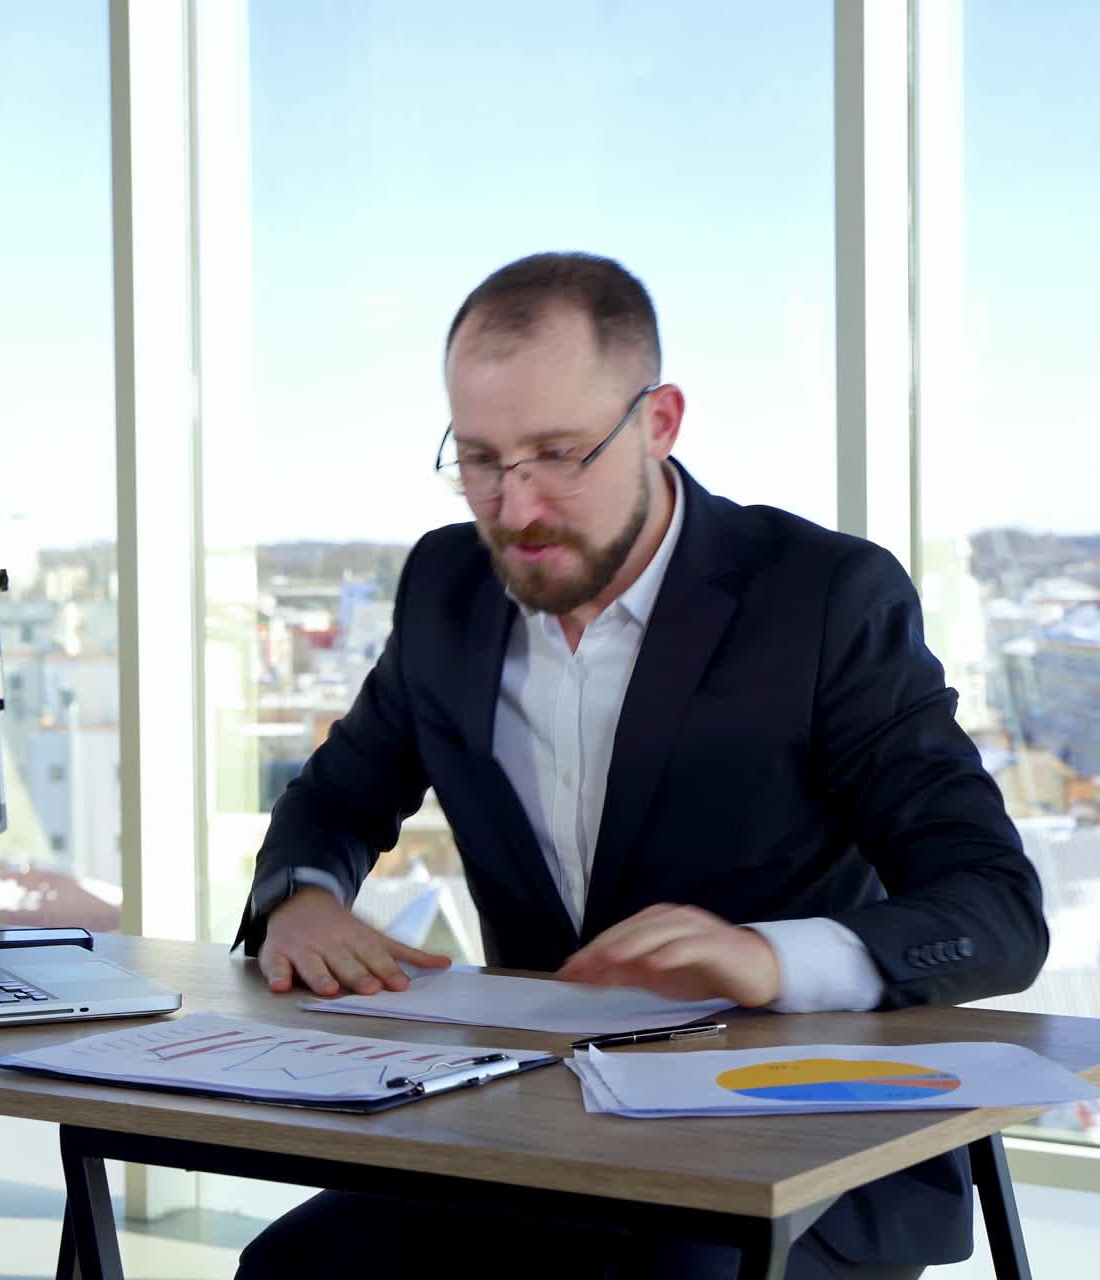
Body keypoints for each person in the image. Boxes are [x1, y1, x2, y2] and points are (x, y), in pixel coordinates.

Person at [231, 252, 1048, 1279]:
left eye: (557, 453)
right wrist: (299, 898)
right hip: (537, 1129)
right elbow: (337, 796)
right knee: (297, 1267)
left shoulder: (822, 598)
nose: (514, 504)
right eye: (479, 458)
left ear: (657, 422)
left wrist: (771, 958)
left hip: (804, 1152)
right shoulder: (445, 588)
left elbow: (994, 907)